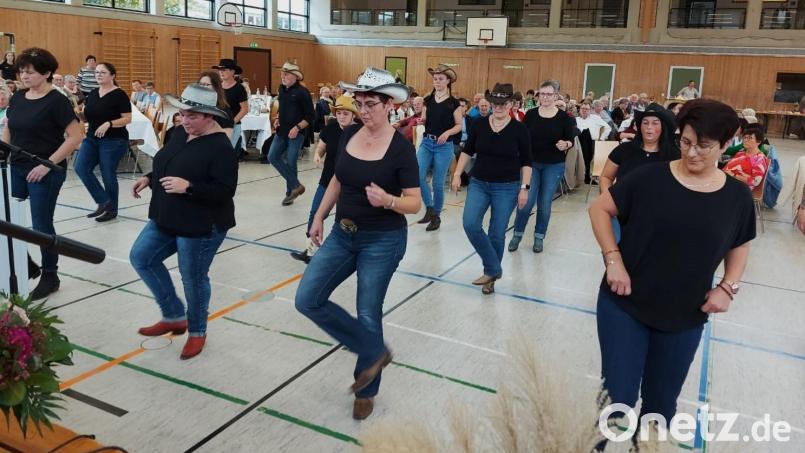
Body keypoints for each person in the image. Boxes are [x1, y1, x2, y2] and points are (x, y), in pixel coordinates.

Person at [588, 98, 755, 451]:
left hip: (685, 314)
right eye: (685, 141)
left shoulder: (737, 197)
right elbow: (600, 209)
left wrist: (727, 286)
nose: (692, 152)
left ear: (726, 145)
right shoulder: (650, 178)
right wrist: (612, 258)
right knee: (618, 395)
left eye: (704, 146)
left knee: (661, 405)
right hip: (625, 305)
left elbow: (740, 244)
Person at [294, 68, 421, 421]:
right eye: (360, 103)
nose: (364, 111)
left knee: (368, 313)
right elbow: (337, 179)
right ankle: (374, 350)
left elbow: (415, 203)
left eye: (371, 105)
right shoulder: (349, 134)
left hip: (382, 240)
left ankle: (366, 390)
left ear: (389, 105)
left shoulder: (400, 149)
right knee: (307, 299)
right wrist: (319, 216)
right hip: (341, 233)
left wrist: (389, 201)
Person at [130, 84, 238, 360]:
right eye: (182, 113)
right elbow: (168, 162)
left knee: (193, 278)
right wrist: (150, 178)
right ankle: (174, 315)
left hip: (202, 224)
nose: (184, 120)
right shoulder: (180, 132)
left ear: (209, 116)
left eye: (192, 115)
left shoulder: (221, 147)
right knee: (141, 257)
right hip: (167, 215)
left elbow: (225, 192)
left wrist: (189, 187)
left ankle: (197, 331)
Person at [3, 48, 84, 299]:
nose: (24, 76)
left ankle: (50, 275)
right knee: (7, 221)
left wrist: (47, 164)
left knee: (41, 225)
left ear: (47, 73)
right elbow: (9, 128)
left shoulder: (57, 101)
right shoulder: (18, 98)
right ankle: (25, 265)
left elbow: (76, 136)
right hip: (15, 167)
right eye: (21, 72)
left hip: (45, 169)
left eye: (30, 72)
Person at [452, 83, 531, 295]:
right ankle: (495, 268)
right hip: (479, 183)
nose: (498, 107)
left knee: (497, 232)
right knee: (470, 223)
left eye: (503, 103)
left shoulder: (519, 129)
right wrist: (458, 173)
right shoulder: (479, 124)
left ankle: (490, 277)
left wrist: (524, 188)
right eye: (495, 103)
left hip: (507, 187)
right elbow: (467, 151)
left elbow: (527, 161)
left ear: (511, 104)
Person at [508, 80, 575, 253]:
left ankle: (539, 236)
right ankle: (517, 233)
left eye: (549, 94)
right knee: (526, 201)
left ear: (555, 96)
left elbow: (571, 139)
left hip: (554, 165)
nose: (545, 97)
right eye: (542, 94)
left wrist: (565, 144)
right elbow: (521, 138)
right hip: (531, 164)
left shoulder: (563, 118)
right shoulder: (530, 115)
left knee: (544, 203)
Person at [290, 95, 358, 263]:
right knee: (316, 212)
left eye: (346, 113)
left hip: (350, 183)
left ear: (353, 115)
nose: (342, 116)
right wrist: (317, 156)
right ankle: (310, 250)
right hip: (328, 179)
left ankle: (349, 251)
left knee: (346, 218)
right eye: (339, 113)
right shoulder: (331, 128)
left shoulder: (359, 131)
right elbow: (321, 146)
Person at [599, 103, 679, 241]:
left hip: (658, 219)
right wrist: (609, 200)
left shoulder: (674, 156)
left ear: (663, 127)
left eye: (655, 123)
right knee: (616, 254)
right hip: (621, 214)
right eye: (645, 123)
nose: (649, 128)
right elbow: (606, 176)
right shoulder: (624, 150)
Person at [74, 61, 133, 223]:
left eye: (103, 72)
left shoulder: (119, 94)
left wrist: (109, 123)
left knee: (108, 173)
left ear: (112, 76)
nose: (98, 75)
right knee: (81, 167)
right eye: (97, 73)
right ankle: (104, 201)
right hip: (92, 138)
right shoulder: (92, 94)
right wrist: (80, 116)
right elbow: (88, 116)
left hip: (114, 139)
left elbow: (128, 118)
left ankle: (111, 209)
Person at [416, 64, 463, 231]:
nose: (437, 82)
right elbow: (424, 118)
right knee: (418, 175)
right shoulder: (427, 99)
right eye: (435, 79)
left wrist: (447, 133)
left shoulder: (454, 103)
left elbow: (459, 125)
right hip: (427, 143)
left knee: (437, 183)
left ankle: (436, 216)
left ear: (448, 81)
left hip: (444, 146)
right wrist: (421, 120)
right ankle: (429, 208)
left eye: (440, 79)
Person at [268, 61, 314, 206]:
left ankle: (290, 194)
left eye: (286, 74)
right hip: (281, 131)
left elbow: (310, 116)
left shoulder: (302, 92)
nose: (283, 76)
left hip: (297, 133)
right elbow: (283, 108)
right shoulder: (281, 89)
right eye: (282, 73)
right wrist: (277, 118)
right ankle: (296, 185)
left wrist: (297, 128)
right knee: (272, 156)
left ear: (295, 76)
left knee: (291, 160)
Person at [214, 59, 249, 151]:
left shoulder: (239, 88)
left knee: (226, 152)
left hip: (233, 126)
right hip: (217, 124)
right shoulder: (217, 87)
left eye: (224, 70)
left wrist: (232, 122)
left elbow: (244, 109)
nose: (221, 72)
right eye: (220, 70)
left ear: (232, 71)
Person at [723, 124, 769, 189]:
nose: (746, 140)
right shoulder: (740, 154)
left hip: (740, 187)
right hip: (727, 181)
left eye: (750, 138)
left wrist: (734, 175)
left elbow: (755, 181)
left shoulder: (760, 159)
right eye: (745, 137)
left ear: (758, 142)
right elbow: (726, 168)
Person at [576, 102, 612, 184]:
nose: (584, 110)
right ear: (579, 110)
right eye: (583, 109)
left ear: (590, 110)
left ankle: (587, 177)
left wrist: (602, 138)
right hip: (579, 141)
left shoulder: (595, 118)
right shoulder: (576, 119)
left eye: (587, 109)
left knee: (588, 160)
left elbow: (608, 127)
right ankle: (581, 177)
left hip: (590, 141)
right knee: (580, 159)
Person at [197, 70, 234, 138]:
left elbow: (227, 137)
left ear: (216, 87)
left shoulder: (224, 110)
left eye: (206, 85)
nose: (202, 87)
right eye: (200, 84)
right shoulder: (194, 106)